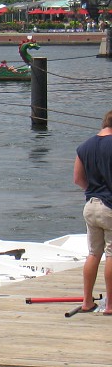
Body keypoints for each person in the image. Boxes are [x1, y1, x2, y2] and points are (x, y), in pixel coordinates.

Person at [73, 109, 112, 313]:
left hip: (91, 205)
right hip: (110, 207)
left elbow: (78, 179)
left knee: (93, 253)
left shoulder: (84, 147)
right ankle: (111, 305)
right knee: (111, 254)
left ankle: (87, 301)